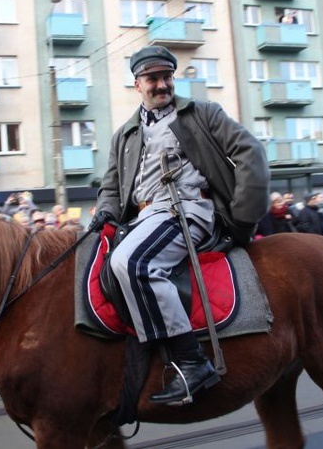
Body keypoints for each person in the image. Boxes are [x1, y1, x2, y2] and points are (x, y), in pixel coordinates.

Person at [89, 45, 269, 405]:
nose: (162, 85)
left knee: (131, 263)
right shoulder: (124, 134)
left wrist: (243, 217)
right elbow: (111, 186)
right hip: (144, 217)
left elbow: (251, 152)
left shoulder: (203, 114)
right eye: (152, 79)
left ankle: (192, 362)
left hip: (187, 210)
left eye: (167, 77)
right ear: (137, 84)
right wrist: (105, 211)